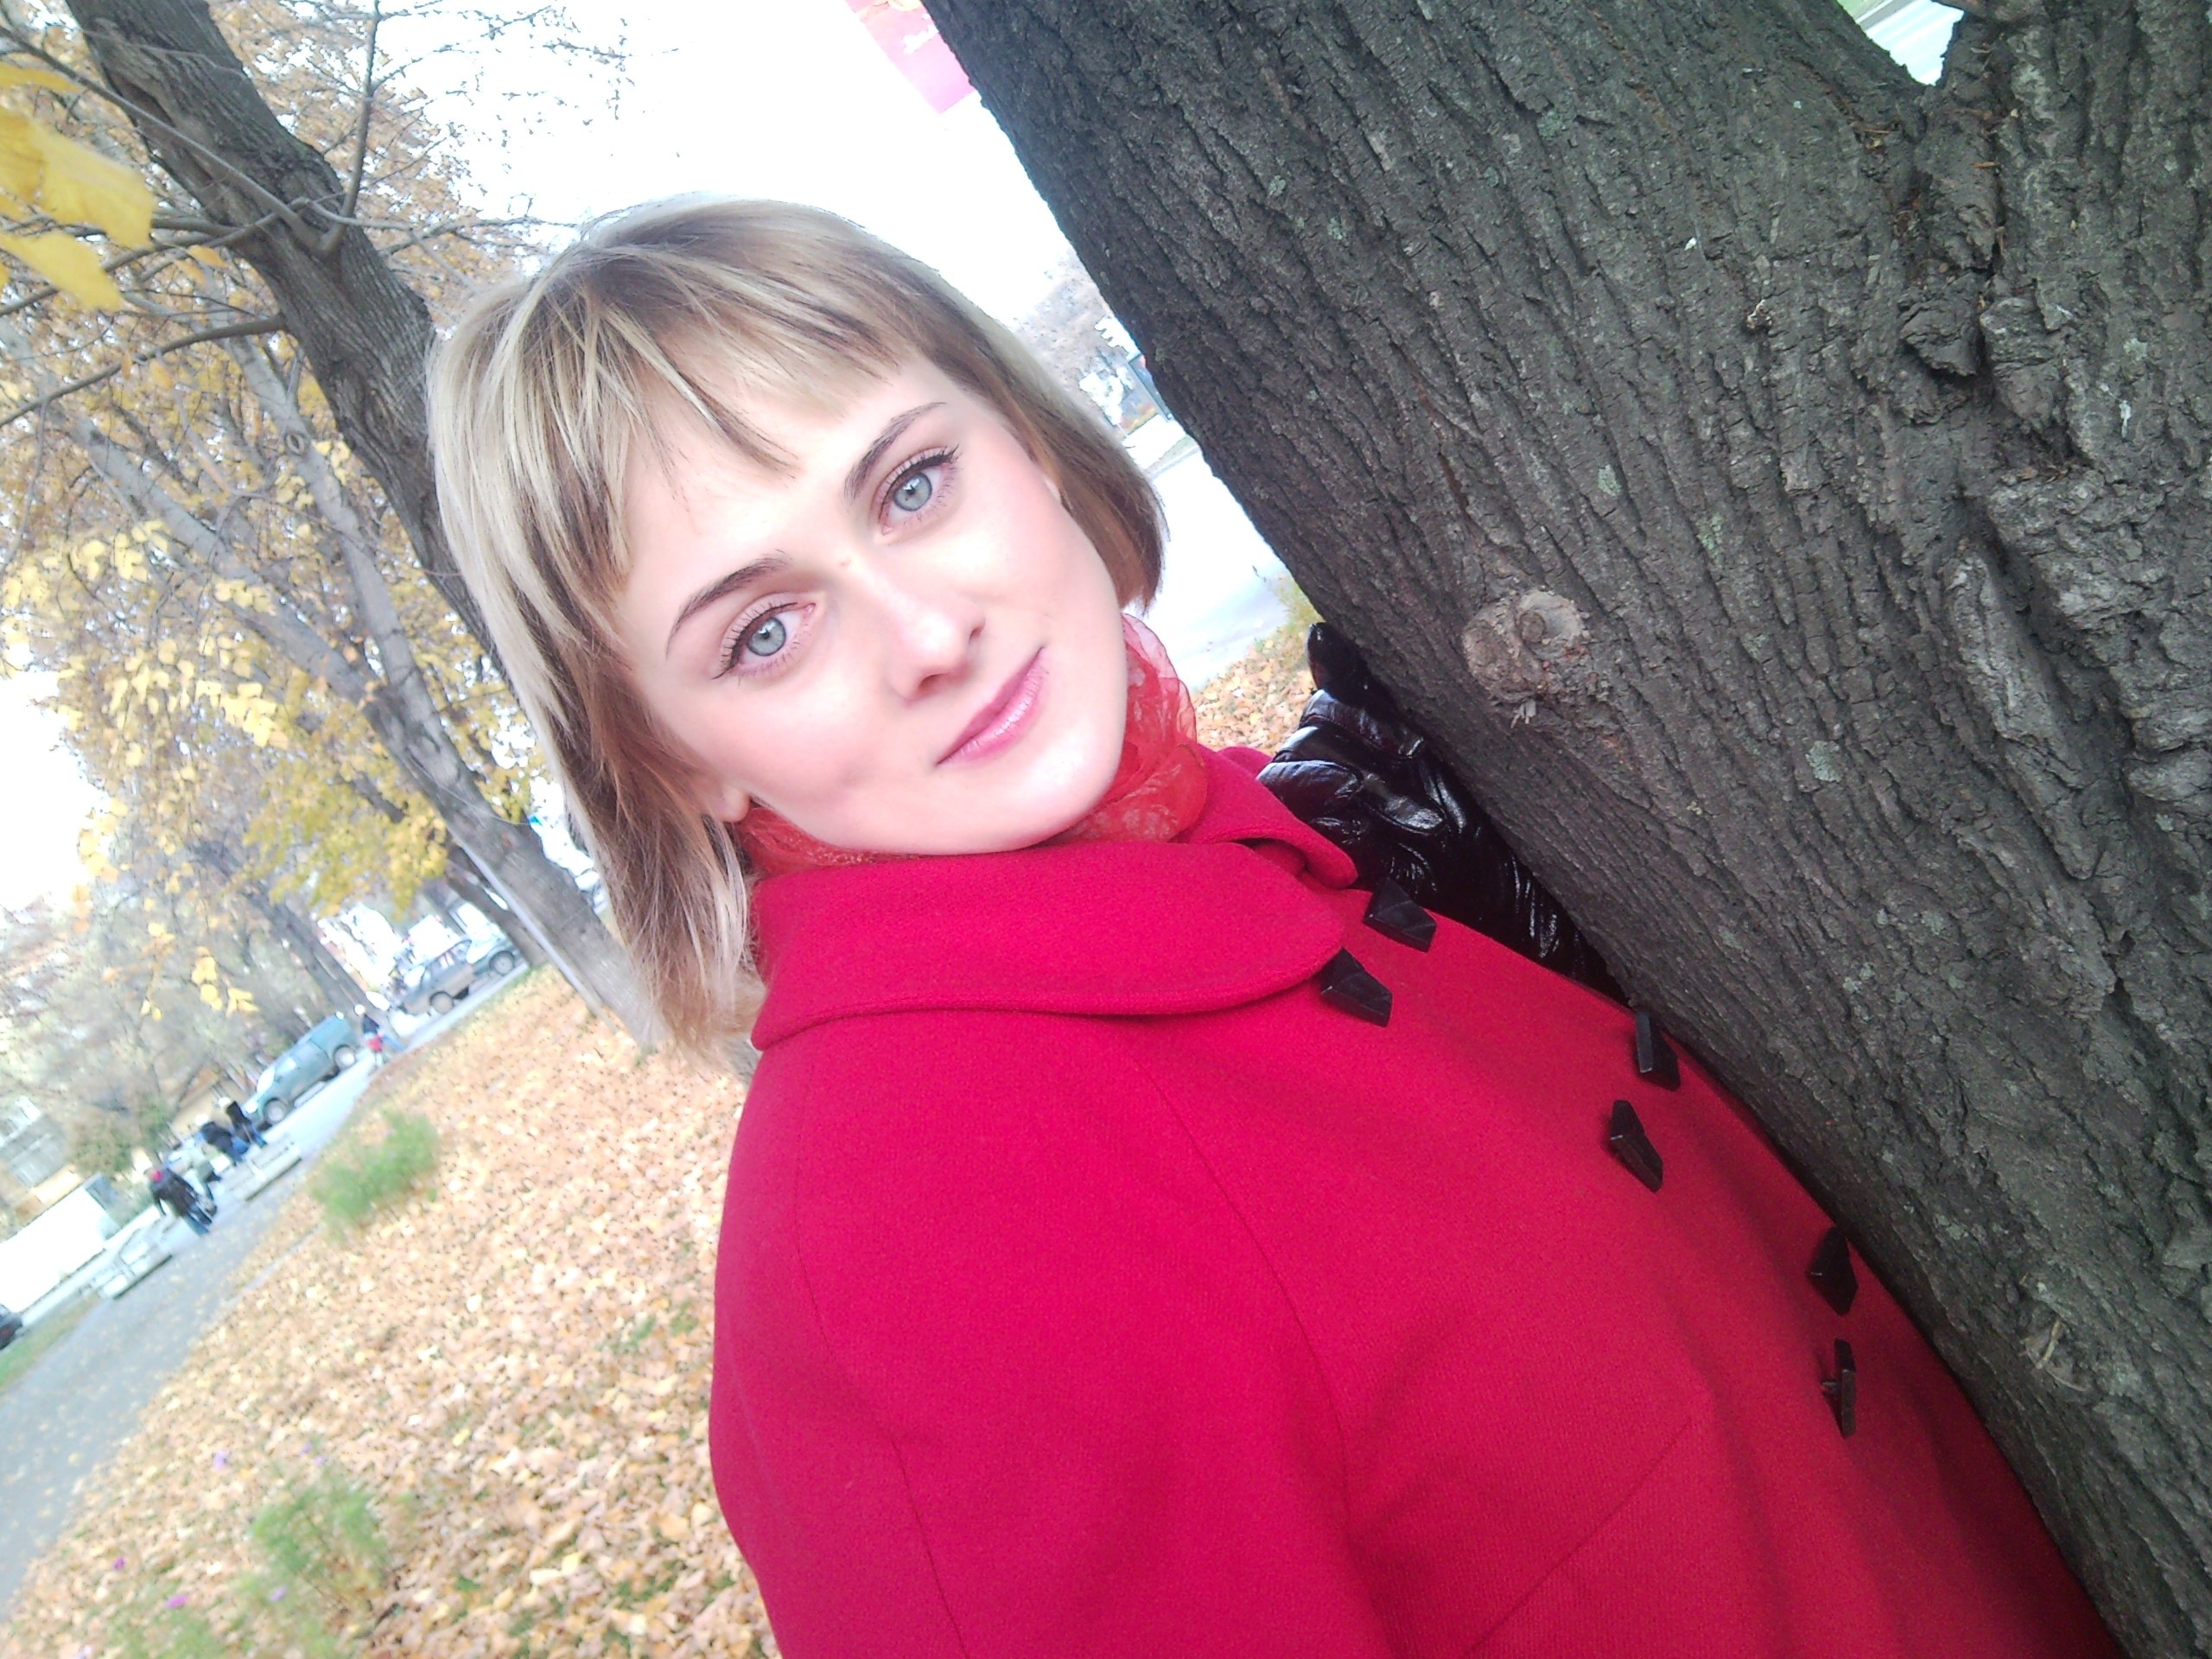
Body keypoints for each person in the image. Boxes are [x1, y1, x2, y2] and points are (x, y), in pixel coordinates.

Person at [429, 199, 2117, 1657]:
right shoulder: (903, 1288)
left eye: (913, 482)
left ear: (1026, 441)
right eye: (765, 632)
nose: (926, 633)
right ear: (671, 759)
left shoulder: (1235, 841)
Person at [148, 1164, 212, 1236]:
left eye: (152, 1171)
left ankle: (206, 1221)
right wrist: (162, 1211)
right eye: (150, 1174)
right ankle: (202, 1232)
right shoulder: (152, 1186)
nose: (152, 1173)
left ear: (155, 1169)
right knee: (188, 1218)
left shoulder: (166, 1172)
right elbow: (156, 1201)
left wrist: (191, 1188)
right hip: (174, 1203)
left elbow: (180, 1179)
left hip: (183, 1195)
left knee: (195, 1209)